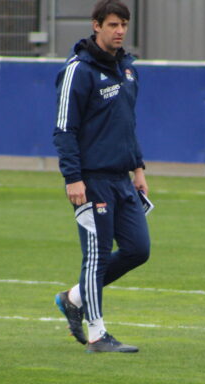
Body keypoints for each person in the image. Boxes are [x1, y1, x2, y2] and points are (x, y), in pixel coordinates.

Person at [52, 0, 150, 353]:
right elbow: (64, 129)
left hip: (122, 179)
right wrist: (72, 177)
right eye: (112, 24)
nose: (119, 30)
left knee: (139, 249)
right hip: (91, 179)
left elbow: (127, 124)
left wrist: (138, 168)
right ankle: (97, 335)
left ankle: (73, 298)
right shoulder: (79, 70)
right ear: (96, 26)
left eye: (123, 24)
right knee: (95, 256)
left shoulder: (128, 68)